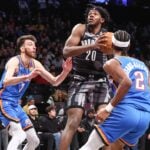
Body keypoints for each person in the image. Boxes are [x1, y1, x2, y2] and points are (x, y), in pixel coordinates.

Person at [79, 30, 150, 150]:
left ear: (111, 45)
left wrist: (108, 109)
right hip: (145, 116)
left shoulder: (111, 63)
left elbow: (126, 82)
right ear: (129, 46)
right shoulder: (142, 65)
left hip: (126, 112)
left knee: (89, 147)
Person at [0, 34, 72, 150]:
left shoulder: (35, 64)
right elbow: (6, 81)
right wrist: (27, 76)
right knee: (20, 134)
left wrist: (65, 71)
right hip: (3, 101)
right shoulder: (14, 61)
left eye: (34, 45)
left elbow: (55, 82)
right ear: (22, 48)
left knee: (34, 141)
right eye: (30, 44)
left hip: (16, 105)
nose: (34, 47)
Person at [60, 4, 112, 150]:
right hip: (80, 78)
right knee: (74, 121)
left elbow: (113, 59)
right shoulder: (80, 28)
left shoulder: (108, 36)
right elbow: (66, 51)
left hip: (101, 80)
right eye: (89, 13)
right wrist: (92, 46)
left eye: (95, 14)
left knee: (105, 122)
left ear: (102, 20)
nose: (91, 15)